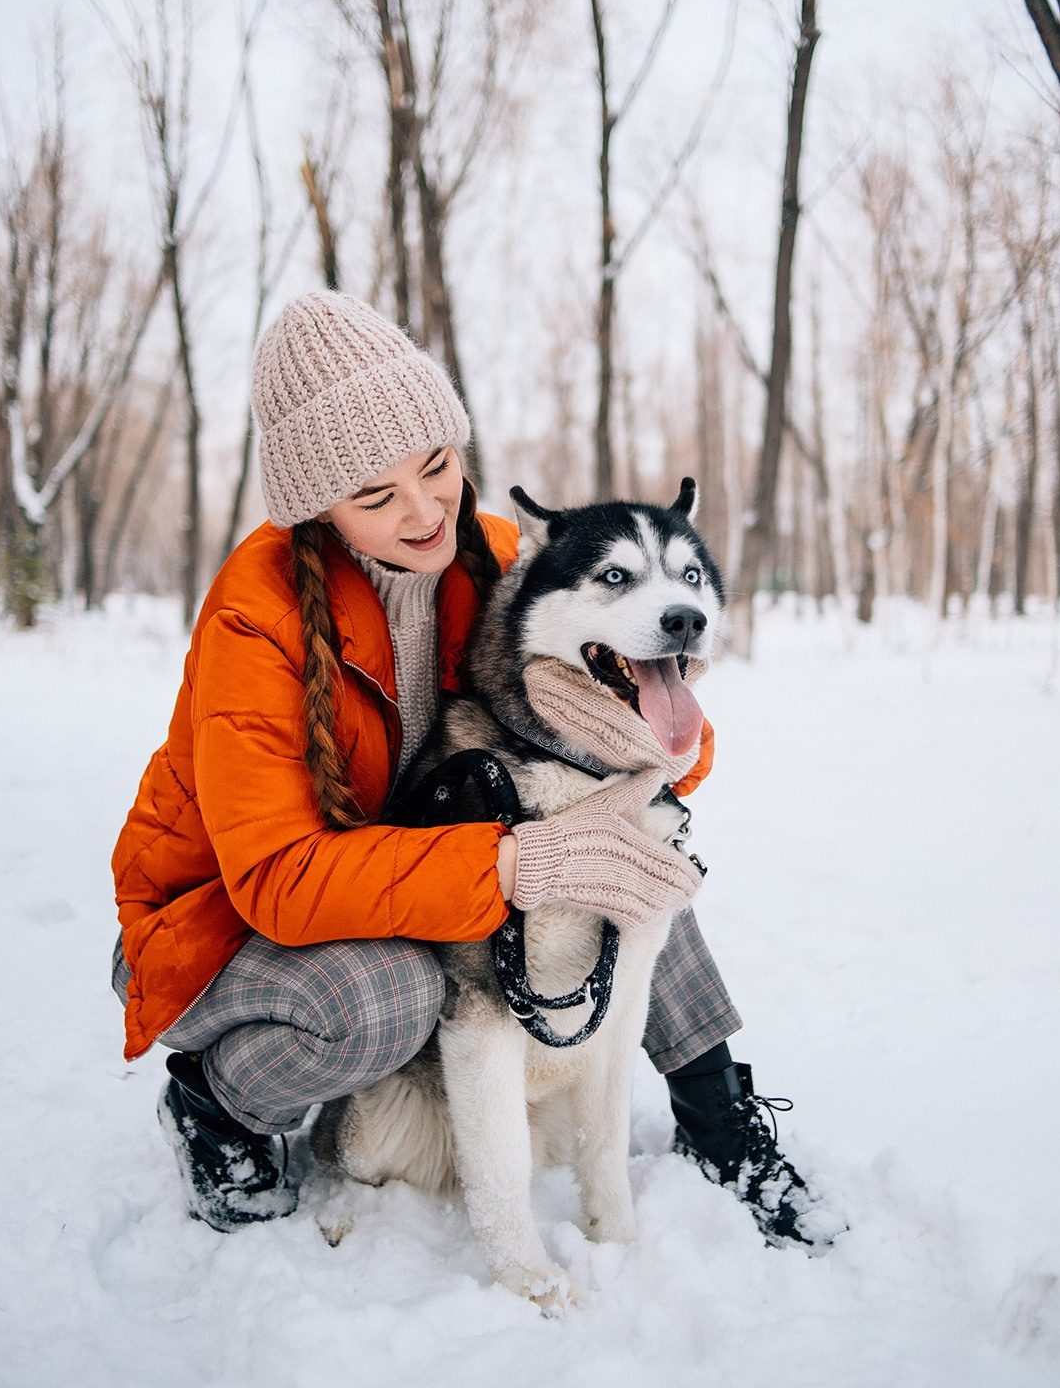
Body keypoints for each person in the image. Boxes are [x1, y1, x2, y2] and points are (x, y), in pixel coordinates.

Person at [111, 291, 823, 1248]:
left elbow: (665, 754)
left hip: (392, 869)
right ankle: (215, 1103)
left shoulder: (489, 554)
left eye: (437, 466)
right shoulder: (257, 616)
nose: (422, 510)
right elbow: (278, 880)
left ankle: (715, 1116)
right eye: (375, 495)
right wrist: (518, 870)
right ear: (315, 508)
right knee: (391, 996)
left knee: (624, 844)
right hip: (218, 927)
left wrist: (617, 731)